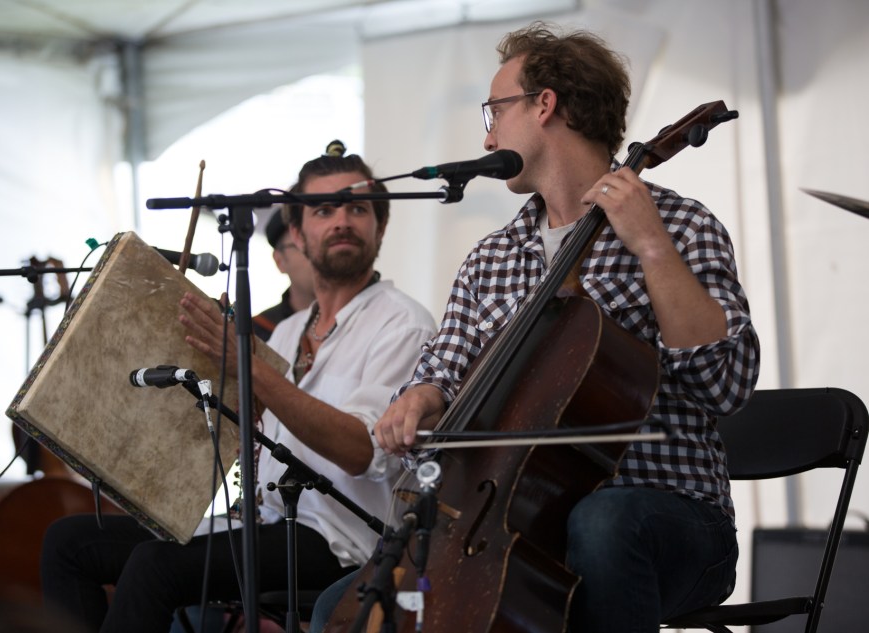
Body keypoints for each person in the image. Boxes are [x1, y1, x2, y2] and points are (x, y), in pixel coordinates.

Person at [371, 23, 760, 633]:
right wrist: (420, 397)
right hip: (522, 522)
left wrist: (651, 246)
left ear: (544, 104)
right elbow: (440, 371)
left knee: (601, 524)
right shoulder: (491, 258)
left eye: (496, 110)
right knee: (350, 601)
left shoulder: (680, 224)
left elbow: (725, 387)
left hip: (671, 517)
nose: (487, 132)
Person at [39, 142, 437, 633]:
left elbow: (361, 451)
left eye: (358, 208)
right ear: (297, 232)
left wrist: (250, 367)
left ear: (379, 226)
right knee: (68, 542)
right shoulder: (290, 331)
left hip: (342, 540)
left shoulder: (404, 325)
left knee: (152, 568)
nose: (342, 221)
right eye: (324, 209)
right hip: (262, 522)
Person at [252, 209, 316, 341]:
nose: (317, 254)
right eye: (302, 246)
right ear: (279, 261)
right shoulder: (257, 333)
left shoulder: (361, 318)